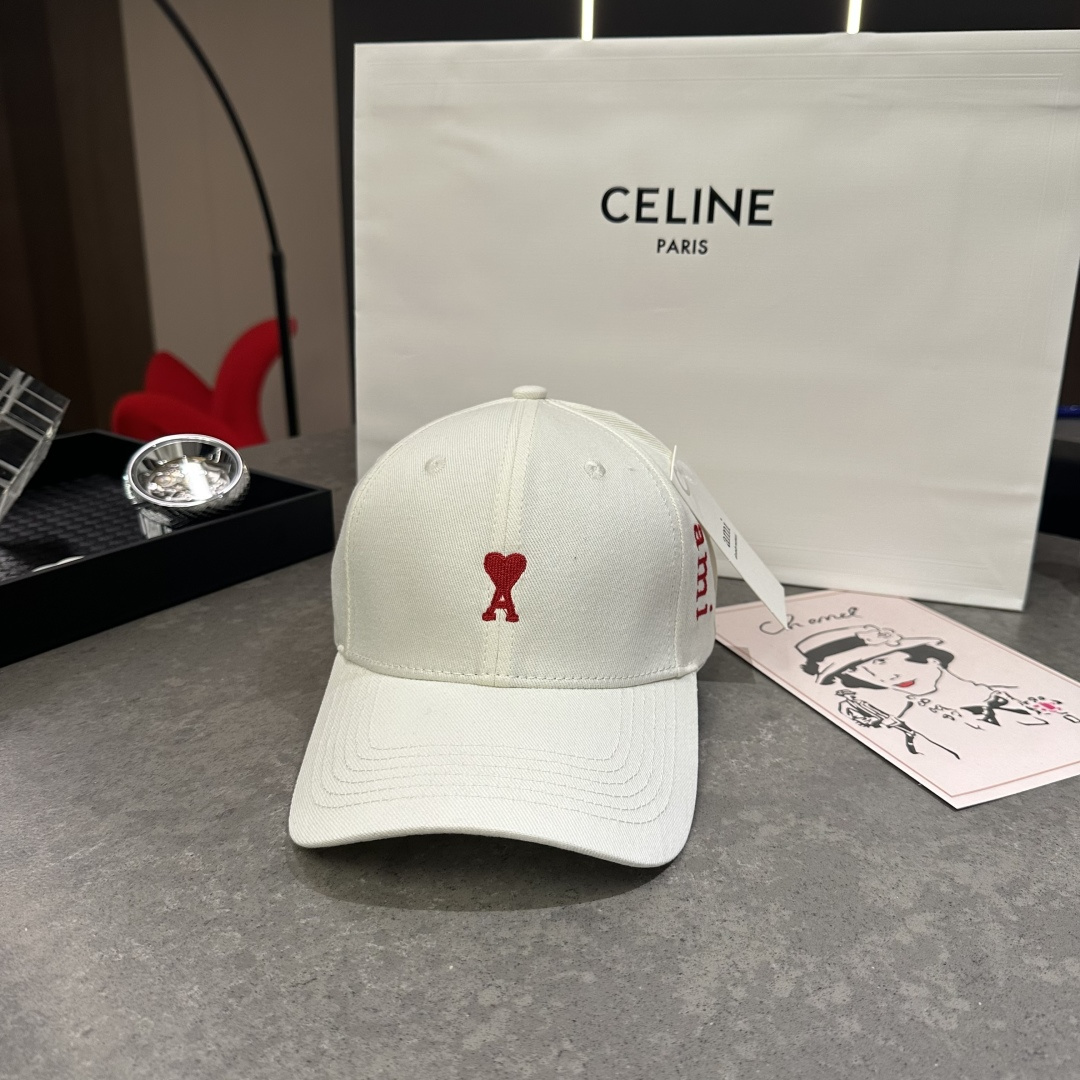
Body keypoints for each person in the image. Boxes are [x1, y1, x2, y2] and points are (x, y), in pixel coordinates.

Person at [795, 625, 1077, 760]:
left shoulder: (1019, 687)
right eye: (857, 671)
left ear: (926, 656)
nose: (882, 677)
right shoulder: (918, 731)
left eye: (881, 661)